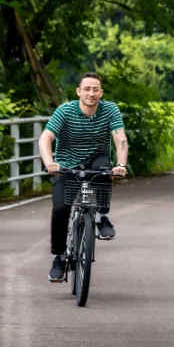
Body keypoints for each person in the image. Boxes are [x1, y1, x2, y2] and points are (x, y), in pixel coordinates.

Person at [38, 72, 128, 282]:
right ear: (78, 92)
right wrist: (50, 163)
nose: (91, 93)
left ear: (101, 92)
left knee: (105, 169)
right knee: (61, 208)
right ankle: (59, 257)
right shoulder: (65, 111)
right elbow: (45, 138)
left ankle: (101, 217)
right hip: (66, 164)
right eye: (87, 89)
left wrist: (121, 164)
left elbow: (120, 138)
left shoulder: (110, 109)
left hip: (96, 158)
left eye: (95, 89)